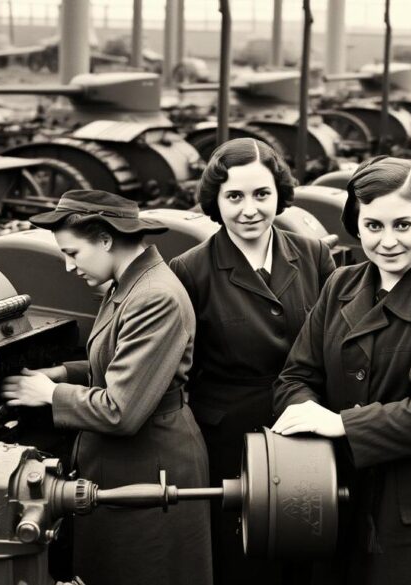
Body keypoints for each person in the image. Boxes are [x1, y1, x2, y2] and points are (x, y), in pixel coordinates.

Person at [271, 156, 411, 585]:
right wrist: (304, 412)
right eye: (373, 226)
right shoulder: (341, 284)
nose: (388, 241)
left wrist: (338, 424)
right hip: (336, 498)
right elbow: (295, 377)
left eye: (402, 225)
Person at [1, 189, 212, 585]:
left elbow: (121, 409)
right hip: (128, 465)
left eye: (73, 253)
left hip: (151, 467)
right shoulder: (128, 284)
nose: (67, 266)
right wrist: (62, 374)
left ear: (105, 238)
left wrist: (49, 396)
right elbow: (119, 363)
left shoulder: (154, 297)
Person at [169, 138, 336, 585]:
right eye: (234, 196)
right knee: (240, 559)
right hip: (230, 441)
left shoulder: (315, 254)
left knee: (307, 551)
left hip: (305, 426)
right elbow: (162, 356)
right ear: (215, 201)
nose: (249, 210)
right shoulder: (190, 270)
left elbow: (338, 340)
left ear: (279, 194)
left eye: (262, 194)